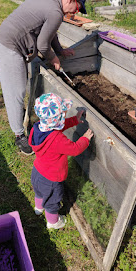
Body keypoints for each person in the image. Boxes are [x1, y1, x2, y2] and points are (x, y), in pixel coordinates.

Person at [0, 0, 87, 155]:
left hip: (6, 42)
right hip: (8, 47)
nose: (76, 13)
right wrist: (54, 58)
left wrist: (59, 51)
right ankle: (19, 135)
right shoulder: (55, 12)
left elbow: (50, 34)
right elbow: (43, 45)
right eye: (77, 8)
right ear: (71, 0)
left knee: (17, 90)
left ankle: (16, 114)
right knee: (16, 91)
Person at [28, 93, 93, 229]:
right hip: (51, 179)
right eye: (63, 114)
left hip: (37, 172)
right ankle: (53, 222)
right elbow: (75, 149)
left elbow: (57, 127)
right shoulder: (57, 140)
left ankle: (38, 208)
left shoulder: (38, 127)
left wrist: (75, 120)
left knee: (39, 192)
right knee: (52, 202)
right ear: (57, 120)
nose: (64, 115)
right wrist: (85, 139)